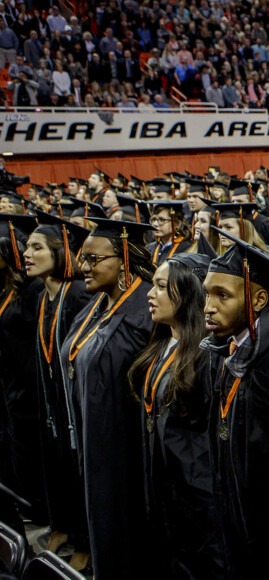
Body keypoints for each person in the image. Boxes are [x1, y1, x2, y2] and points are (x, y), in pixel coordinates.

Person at [200, 228, 269, 578]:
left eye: (222, 296)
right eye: (206, 294)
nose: (208, 308)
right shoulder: (231, 345)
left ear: (258, 300)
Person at [59, 218, 156, 578]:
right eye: (82, 258)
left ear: (123, 260)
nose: (83, 266)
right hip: (96, 442)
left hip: (127, 450)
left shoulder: (145, 312)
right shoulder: (98, 304)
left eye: (93, 258)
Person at [131, 253, 226, 578]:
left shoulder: (209, 357)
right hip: (164, 487)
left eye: (160, 286)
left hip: (197, 498)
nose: (149, 293)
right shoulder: (162, 346)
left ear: (187, 295)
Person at [23, 212, 93, 570]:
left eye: (37, 247)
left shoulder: (78, 294)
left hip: (77, 401)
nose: (27, 253)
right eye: (26, 247)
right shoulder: (41, 297)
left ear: (59, 252)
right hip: (52, 401)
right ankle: (63, 526)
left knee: (78, 467)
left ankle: (85, 540)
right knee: (56, 464)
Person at [0, 215, 47, 524]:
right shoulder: (5, 289)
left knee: (30, 450)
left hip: (29, 389)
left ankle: (38, 509)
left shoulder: (31, 291)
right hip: (9, 387)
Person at [147, 200, 193, 265]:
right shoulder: (149, 248)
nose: (155, 224)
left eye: (161, 220)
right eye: (153, 219)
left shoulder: (187, 249)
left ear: (177, 223)